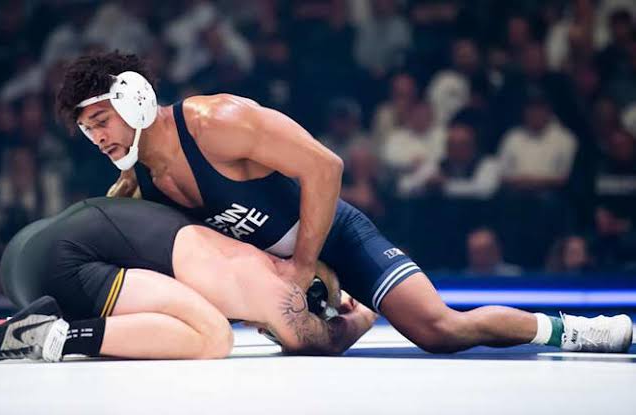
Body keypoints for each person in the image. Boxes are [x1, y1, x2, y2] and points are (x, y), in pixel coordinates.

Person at [55, 51, 632, 354]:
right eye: (87, 129)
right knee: (304, 346)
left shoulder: (217, 122)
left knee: (439, 330)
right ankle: (352, 314)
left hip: (332, 235)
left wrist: (304, 262)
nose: (98, 138)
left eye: (101, 120)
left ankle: (573, 331)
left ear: (133, 99)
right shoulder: (139, 176)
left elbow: (325, 166)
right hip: (283, 266)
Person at [0, 197, 375, 363]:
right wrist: (363, 317)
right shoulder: (273, 280)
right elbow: (314, 339)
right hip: (68, 262)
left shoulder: (232, 241)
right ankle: (49, 337)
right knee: (213, 337)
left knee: (170, 320)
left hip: (26, 255)